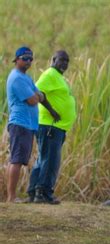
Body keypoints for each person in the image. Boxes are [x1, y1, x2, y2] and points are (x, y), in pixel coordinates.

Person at [5, 47, 57, 203]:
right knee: (16, 160)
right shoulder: (17, 78)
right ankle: (11, 197)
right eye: (25, 58)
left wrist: (38, 95)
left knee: (20, 160)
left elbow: (40, 94)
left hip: (28, 125)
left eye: (30, 59)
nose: (28, 61)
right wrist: (37, 95)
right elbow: (34, 99)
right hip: (20, 124)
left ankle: (12, 196)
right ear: (17, 59)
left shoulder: (26, 78)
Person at [27, 50, 76, 204]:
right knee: (50, 160)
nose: (65, 64)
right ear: (53, 59)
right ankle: (43, 193)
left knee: (43, 158)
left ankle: (34, 191)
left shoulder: (58, 77)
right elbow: (36, 91)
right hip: (50, 126)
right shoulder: (49, 74)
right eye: (62, 60)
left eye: (67, 61)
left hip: (56, 127)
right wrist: (52, 110)